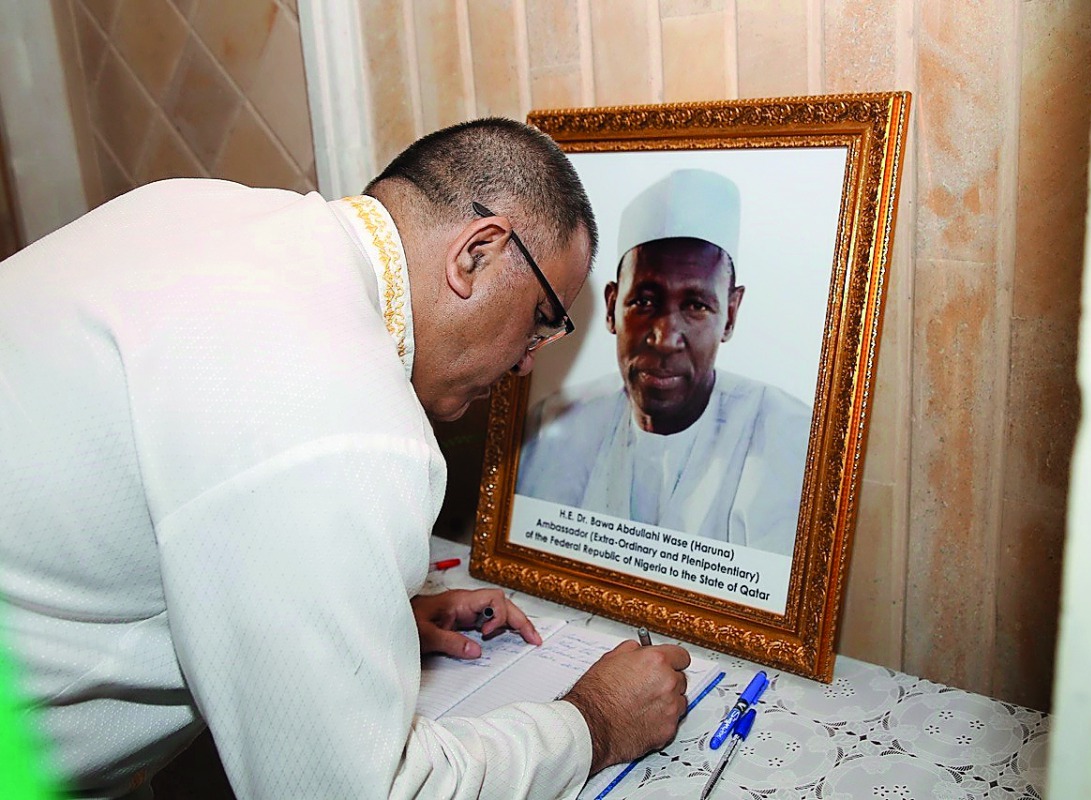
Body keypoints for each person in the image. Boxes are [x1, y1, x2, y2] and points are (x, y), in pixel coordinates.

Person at [0, 118, 691, 799]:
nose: (524, 365)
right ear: (476, 253)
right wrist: (594, 723)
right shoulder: (348, 422)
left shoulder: (191, 206)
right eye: (542, 320)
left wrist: (368, 619)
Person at [517, 169, 813, 557]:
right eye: (644, 302)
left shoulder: (784, 434)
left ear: (731, 314)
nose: (664, 338)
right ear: (611, 307)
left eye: (695, 306)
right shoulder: (558, 424)